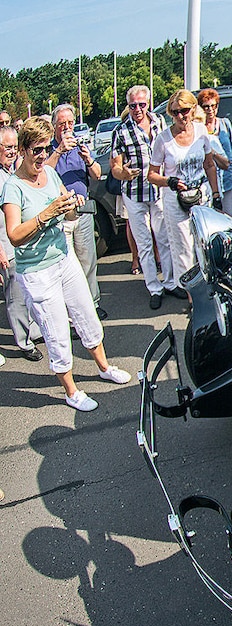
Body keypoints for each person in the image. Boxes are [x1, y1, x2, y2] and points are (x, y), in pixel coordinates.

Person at [1, 117, 131, 411]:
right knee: (57, 330)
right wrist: (46, 214)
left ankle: (103, 367)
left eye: (46, 149)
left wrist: (71, 207)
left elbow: (70, 216)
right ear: (22, 149)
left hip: (63, 258)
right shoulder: (13, 188)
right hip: (36, 271)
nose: (42, 156)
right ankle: (71, 391)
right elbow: (14, 235)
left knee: (86, 313)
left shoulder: (49, 172)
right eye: (36, 149)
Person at [110, 85, 181, 310]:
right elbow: (115, 168)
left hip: (159, 190)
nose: (138, 109)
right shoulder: (120, 131)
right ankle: (154, 287)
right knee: (144, 245)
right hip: (135, 192)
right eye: (133, 106)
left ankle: (170, 282)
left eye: (141, 105)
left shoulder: (160, 122)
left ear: (148, 103)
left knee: (164, 237)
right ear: (128, 106)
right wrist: (124, 173)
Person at [147, 89, 220, 297]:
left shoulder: (201, 132)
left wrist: (216, 194)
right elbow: (151, 175)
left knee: (204, 244)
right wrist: (168, 181)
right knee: (184, 249)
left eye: (185, 111)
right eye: (176, 112)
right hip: (175, 199)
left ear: (193, 109)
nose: (181, 116)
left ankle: (209, 290)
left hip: (201, 194)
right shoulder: (163, 140)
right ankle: (192, 297)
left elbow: (209, 165)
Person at [46, 104, 106, 320]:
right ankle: (71, 314)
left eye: (70, 123)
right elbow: (43, 174)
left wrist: (88, 159)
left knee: (88, 259)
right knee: (66, 265)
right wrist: (59, 149)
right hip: (61, 215)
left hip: (83, 211)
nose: (67, 127)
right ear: (54, 126)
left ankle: (93, 303)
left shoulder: (82, 145)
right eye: (62, 123)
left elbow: (97, 174)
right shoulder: (48, 148)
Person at [0, 124, 43, 360]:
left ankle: (34, 331)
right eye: (8, 147)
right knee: (15, 295)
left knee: (28, 290)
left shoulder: (13, 171)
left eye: (14, 147)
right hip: (5, 245)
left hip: (23, 244)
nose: (12, 152)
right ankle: (24, 342)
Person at [197, 88, 232, 215]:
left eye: (213, 106)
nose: (210, 110)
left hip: (227, 177)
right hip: (208, 181)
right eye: (206, 106)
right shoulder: (198, 127)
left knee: (229, 215)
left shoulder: (225, 123)